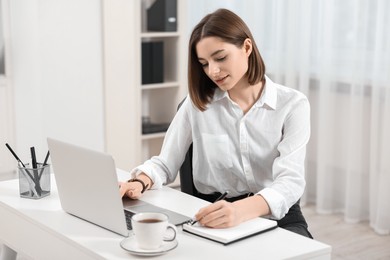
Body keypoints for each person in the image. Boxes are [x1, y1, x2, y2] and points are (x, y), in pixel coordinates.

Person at [119, 8, 312, 238]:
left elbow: (289, 182)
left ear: (247, 47)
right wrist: (139, 182)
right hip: (213, 214)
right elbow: (165, 163)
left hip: (276, 215)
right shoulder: (197, 104)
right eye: (204, 63)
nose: (213, 71)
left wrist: (240, 211)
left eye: (220, 58)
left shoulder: (292, 105)